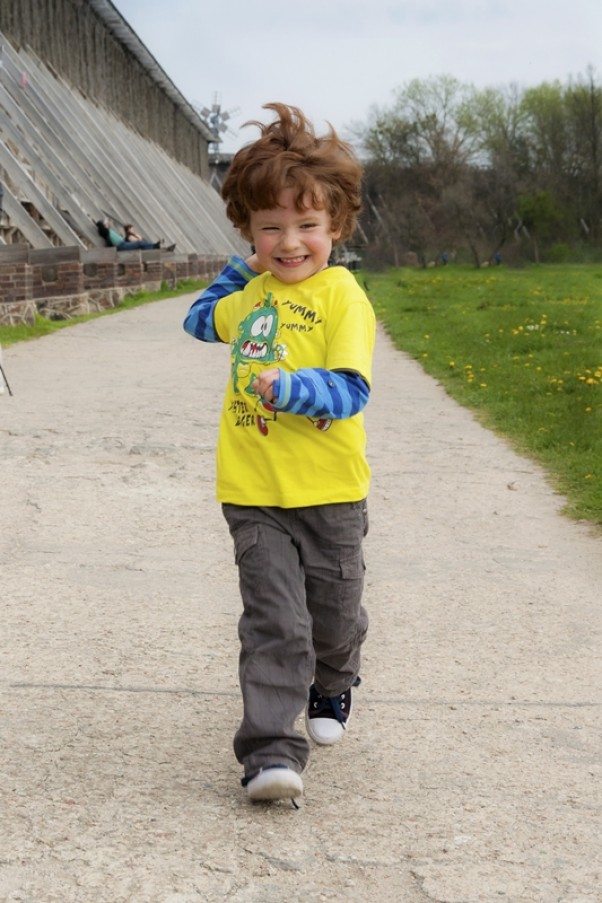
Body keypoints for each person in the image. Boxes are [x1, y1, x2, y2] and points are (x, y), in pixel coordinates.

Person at [183, 103, 375, 804]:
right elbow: (199, 318)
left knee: (333, 620)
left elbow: (350, 389)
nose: (289, 242)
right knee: (274, 621)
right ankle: (269, 752)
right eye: (270, 228)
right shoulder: (252, 292)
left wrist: (291, 388)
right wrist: (241, 270)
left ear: (336, 228)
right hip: (253, 489)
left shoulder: (342, 295)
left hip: (329, 492)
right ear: (248, 232)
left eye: (306, 226)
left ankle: (335, 682)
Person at [95, 220, 175, 252]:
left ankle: (155, 247)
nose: (107, 224)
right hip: (121, 246)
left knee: (141, 243)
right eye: (104, 224)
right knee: (139, 243)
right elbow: (102, 228)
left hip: (122, 244)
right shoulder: (106, 232)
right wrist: (102, 224)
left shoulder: (109, 231)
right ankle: (155, 246)